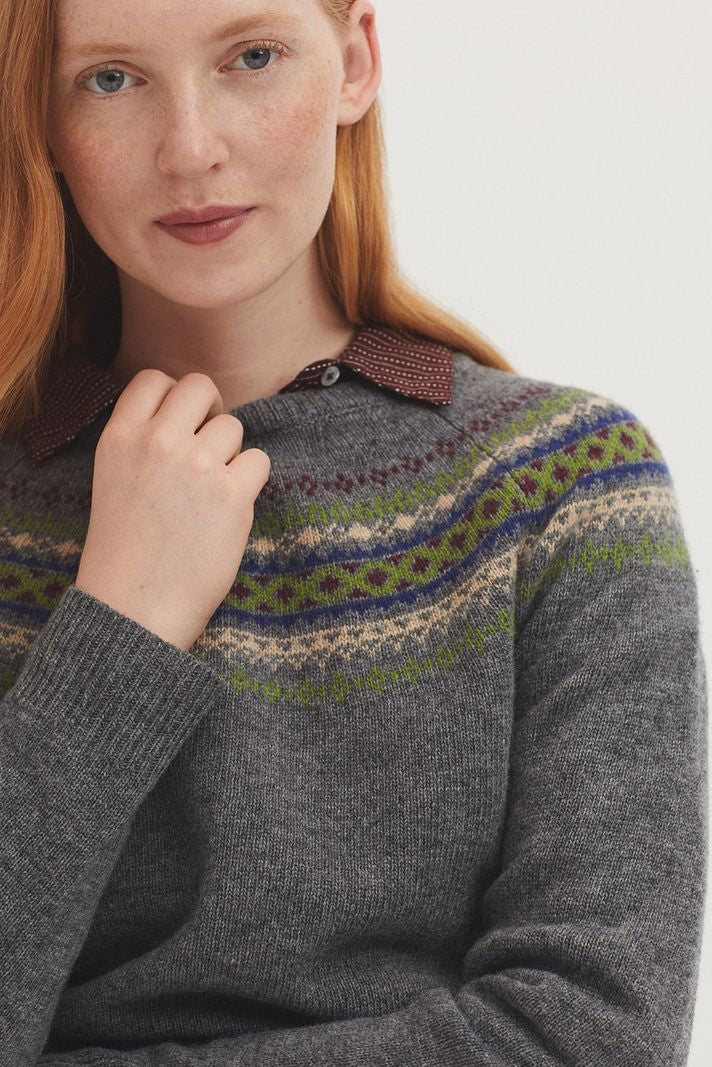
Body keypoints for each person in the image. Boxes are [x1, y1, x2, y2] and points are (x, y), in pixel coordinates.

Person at [0, 0, 707, 1064]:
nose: (190, 148)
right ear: (40, 119)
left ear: (354, 61)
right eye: (110, 79)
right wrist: (118, 627)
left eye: (252, 56)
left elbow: (591, 1035)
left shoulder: (564, 487)